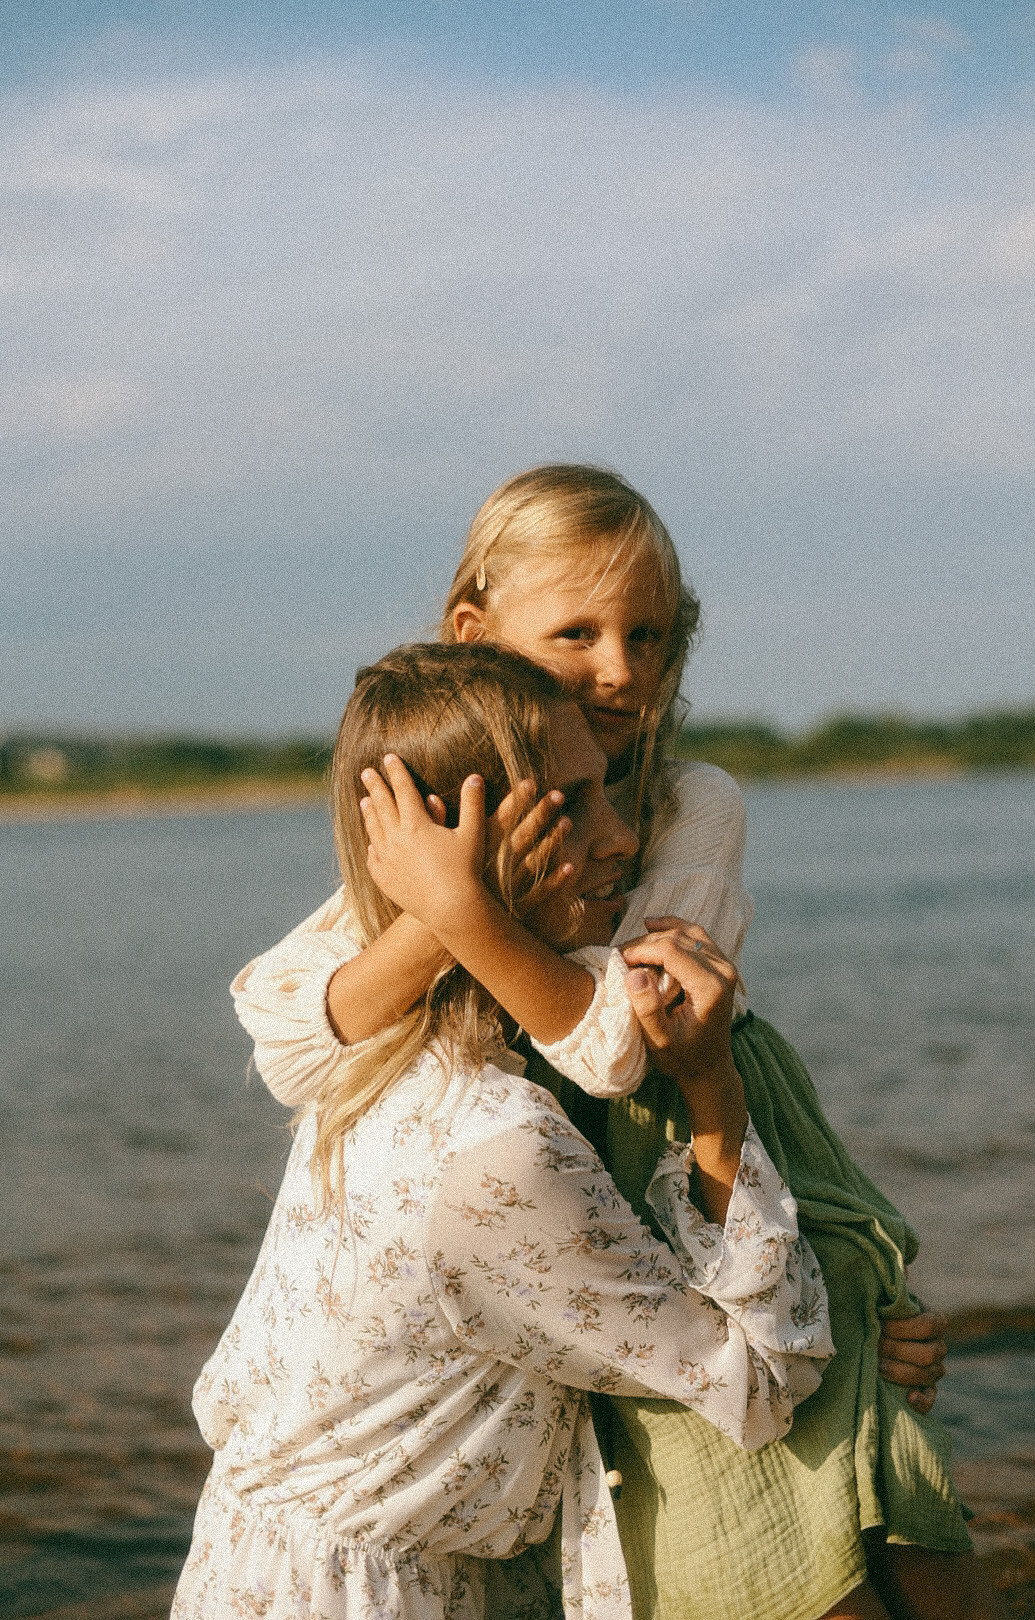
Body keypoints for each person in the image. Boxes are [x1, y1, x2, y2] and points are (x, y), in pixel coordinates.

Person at [231, 467, 993, 1619]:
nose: (624, 669)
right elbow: (292, 1041)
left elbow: (626, 1044)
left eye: (650, 634)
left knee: (856, 1418)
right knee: (727, 1490)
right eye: (578, 634)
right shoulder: (451, 827)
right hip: (571, 1185)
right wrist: (446, 907)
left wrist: (463, 911)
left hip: (685, 1115)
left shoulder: (688, 803)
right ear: (474, 632)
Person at [173, 643, 834, 1620]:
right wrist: (711, 1088)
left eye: (612, 790)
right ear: (463, 854)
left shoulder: (375, 1053)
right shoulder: (497, 1148)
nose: (622, 839)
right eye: (569, 806)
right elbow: (763, 1380)